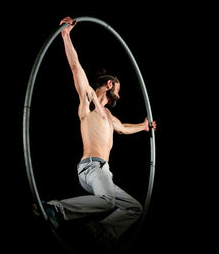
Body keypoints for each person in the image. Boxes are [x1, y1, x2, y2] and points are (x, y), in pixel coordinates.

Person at [39, 16, 157, 248]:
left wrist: (144, 127)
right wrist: (66, 35)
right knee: (106, 201)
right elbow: (76, 68)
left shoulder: (109, 116)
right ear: (110, 85)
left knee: (134, 208)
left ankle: (99, 232)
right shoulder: (90, 102)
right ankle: (55, 208)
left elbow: (123, 129)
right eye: (119, 91)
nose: (120, 97)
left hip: (104, 173)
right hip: (91, 167)